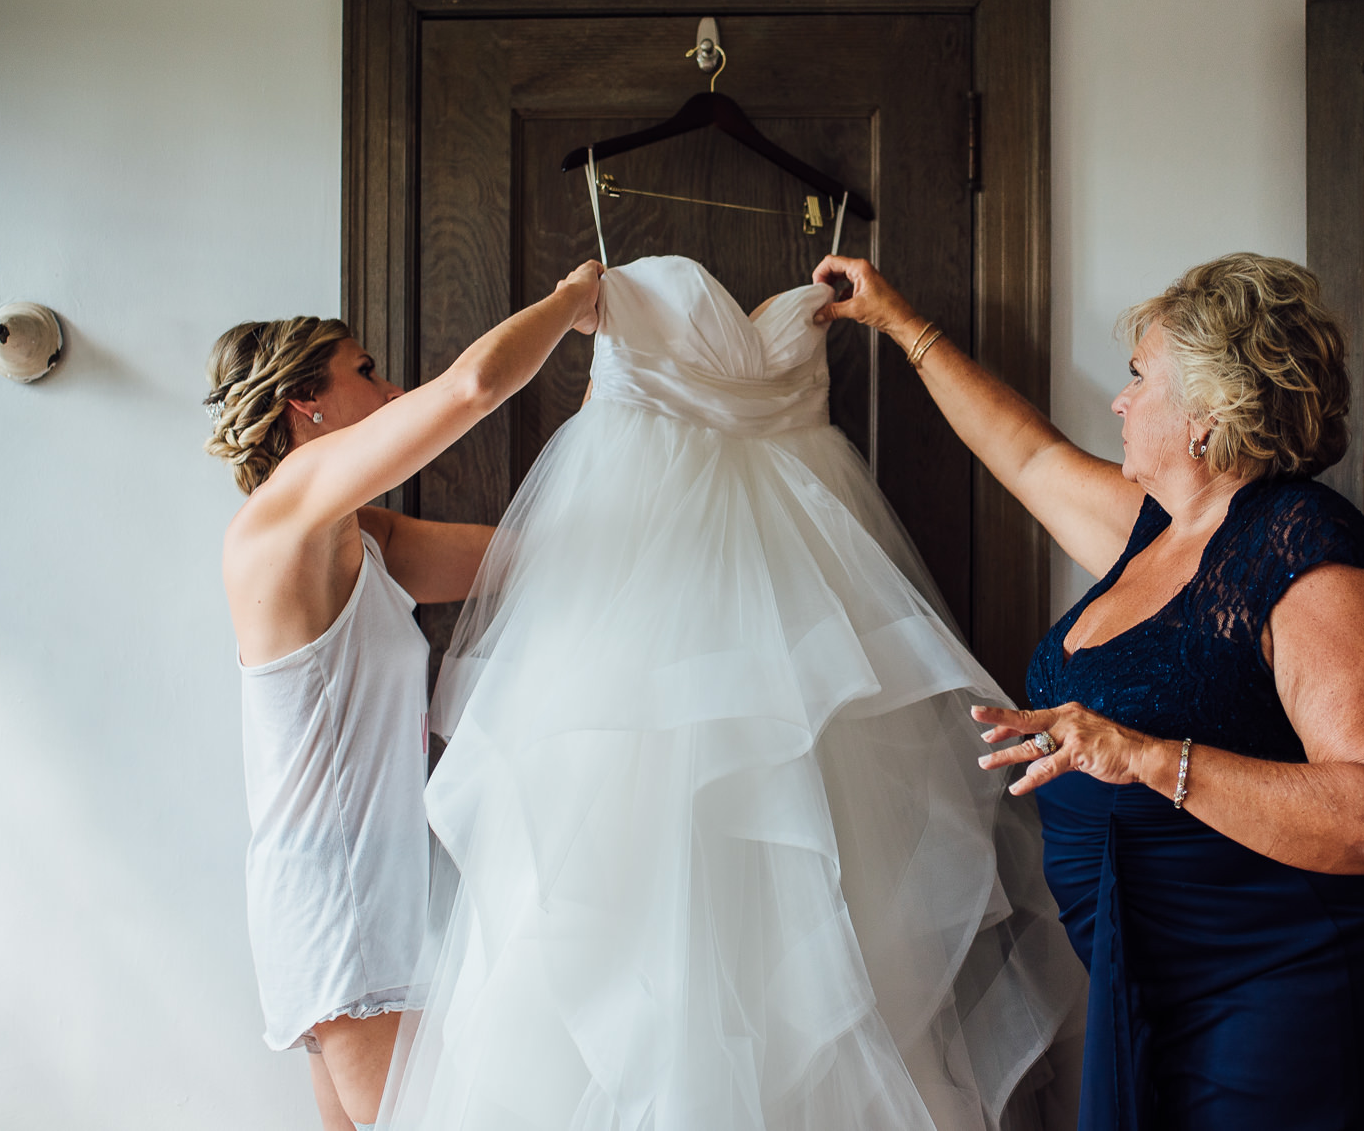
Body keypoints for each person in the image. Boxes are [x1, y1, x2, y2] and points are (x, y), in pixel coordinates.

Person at [377, 253, 1084, 1131]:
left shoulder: (625, 290)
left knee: (817, 865)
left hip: (800, 578)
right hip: (649, 590)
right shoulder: (612, 294)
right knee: (636, 851)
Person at [815, 251, 1364, 1129]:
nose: (1119, 400)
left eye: (1137, 377)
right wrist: (898, 324)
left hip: (1285, 982)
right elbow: (1029, 457)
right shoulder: (1159, 531)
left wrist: (1147, 758)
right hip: (1159, 981)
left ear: (1205, 414)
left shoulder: (1304, 544)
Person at [202, 261, 603, 1131]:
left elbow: (523, 557)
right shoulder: (287, 515)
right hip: (344, 906)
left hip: (354, 899)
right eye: (367, 372)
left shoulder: (359, 537)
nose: (389, 391)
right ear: (306, 401)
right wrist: (575, 302)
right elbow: (471, 387)